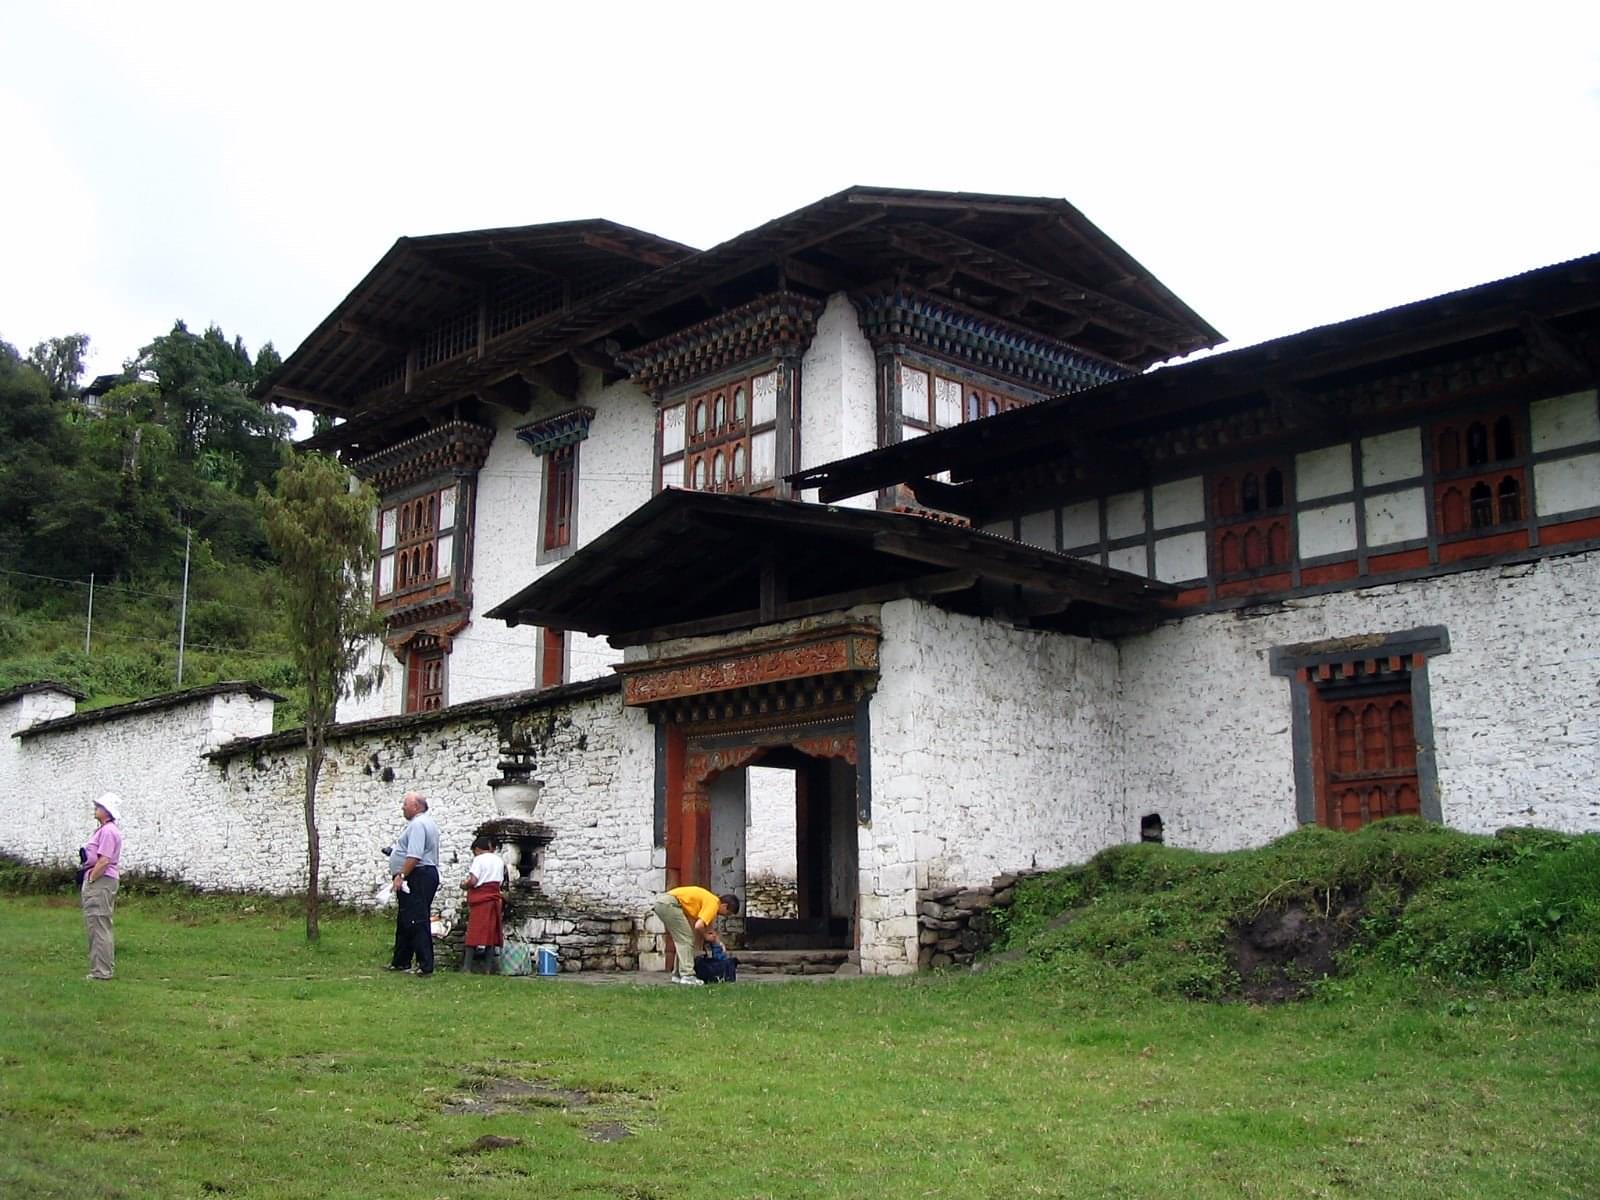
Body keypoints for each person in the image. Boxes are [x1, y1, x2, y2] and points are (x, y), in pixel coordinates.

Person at [385, 791, 441, 976]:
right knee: (405, 919)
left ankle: (425, 965)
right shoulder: (426, 823)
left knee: (416, 919)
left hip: (419, 875)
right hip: (422, 873)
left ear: (416, 806)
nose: (403, 807)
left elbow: (415, 855)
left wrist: (401, 874)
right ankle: (401, 960)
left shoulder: (418, 825)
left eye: (405, 804)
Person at [652, 886, 739, 986]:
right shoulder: (713, 904)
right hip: (669, 904)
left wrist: (719, 943)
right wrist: (705, 936)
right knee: (686, 938)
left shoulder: (711, 901)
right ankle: (687, 975)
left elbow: (709, 929)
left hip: (663, 903)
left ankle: (678, 975)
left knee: (682, 939)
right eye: (728, 913)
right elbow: (699, 926)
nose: (725, 916)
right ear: (724, 905)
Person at [81, 793, 123, 981]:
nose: (95, 808)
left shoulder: (108, 832)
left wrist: (91, 878)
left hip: (101, 880)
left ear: (107, 811)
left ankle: (102, 972)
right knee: (97, 924)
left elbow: (104, 859)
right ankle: (100, 968)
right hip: (101, 879)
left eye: (99, 806)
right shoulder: (105, 830)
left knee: (99, 923)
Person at [460, 835, 506, 974]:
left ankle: (467, 967)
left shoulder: (478, 859)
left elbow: (474, 880)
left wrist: (464, 885)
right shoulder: (499, 860)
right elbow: (501, 882)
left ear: (478, 849)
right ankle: (488, 968)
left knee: (474, 932)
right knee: (491, 933)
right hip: (494, 898)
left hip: (481, 898)